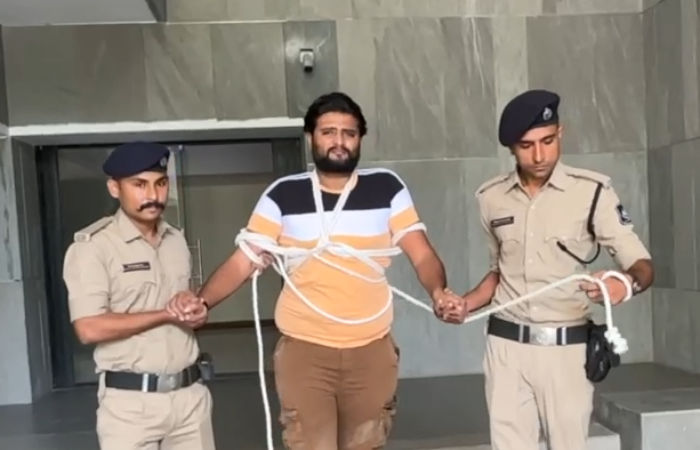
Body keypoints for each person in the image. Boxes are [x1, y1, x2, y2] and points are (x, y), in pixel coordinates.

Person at [171, 92, 464, 449]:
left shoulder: (386, 187)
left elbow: (422, 254)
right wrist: (203, 302)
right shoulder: (283, 194)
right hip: (305, 350)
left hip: (371, 348)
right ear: (311, 137)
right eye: (328, 132)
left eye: (349, 133)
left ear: (360, 139)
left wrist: (438, 292)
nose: (339, 142)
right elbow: (243, 260)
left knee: (366, 444)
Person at [461, 89, 654, 450]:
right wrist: (465, 304)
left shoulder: (592, 192)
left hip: (565, 350)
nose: (539, 155)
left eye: (548, 141)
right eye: (526, 145)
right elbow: (498, 272)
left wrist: (624, 284)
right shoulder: (490, 197)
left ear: (560, 132)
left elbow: (641, 265)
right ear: (512, 148)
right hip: (505, 349)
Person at [62, 142, 215, 450]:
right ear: (114, 188)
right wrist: (165, 314)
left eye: (161, 183)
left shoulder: (176, 240)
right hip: (130, 407)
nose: (153, 195)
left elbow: (181, 306)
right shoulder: (93, 248)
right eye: (139, 185)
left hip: (190, 399)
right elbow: (89, 328)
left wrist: (195, 309)